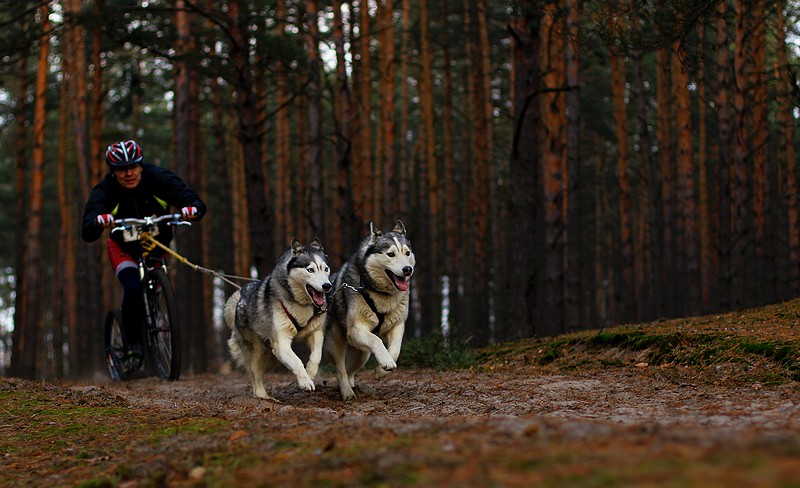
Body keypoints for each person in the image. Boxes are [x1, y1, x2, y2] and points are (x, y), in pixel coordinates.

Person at [81, 140, 207, 370]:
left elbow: (192, 200)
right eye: (121, 169)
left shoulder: (157, 178)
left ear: (141, 165)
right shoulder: (106, 190)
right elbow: (87, 227)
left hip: (157, 247)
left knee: (157, 287)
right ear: (113, 171)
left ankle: (160, 326)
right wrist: (99, 221)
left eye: (134, 166)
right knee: (132, 289)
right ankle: (134, 346)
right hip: (124, 249)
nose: (129, 173)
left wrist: (192, 209)